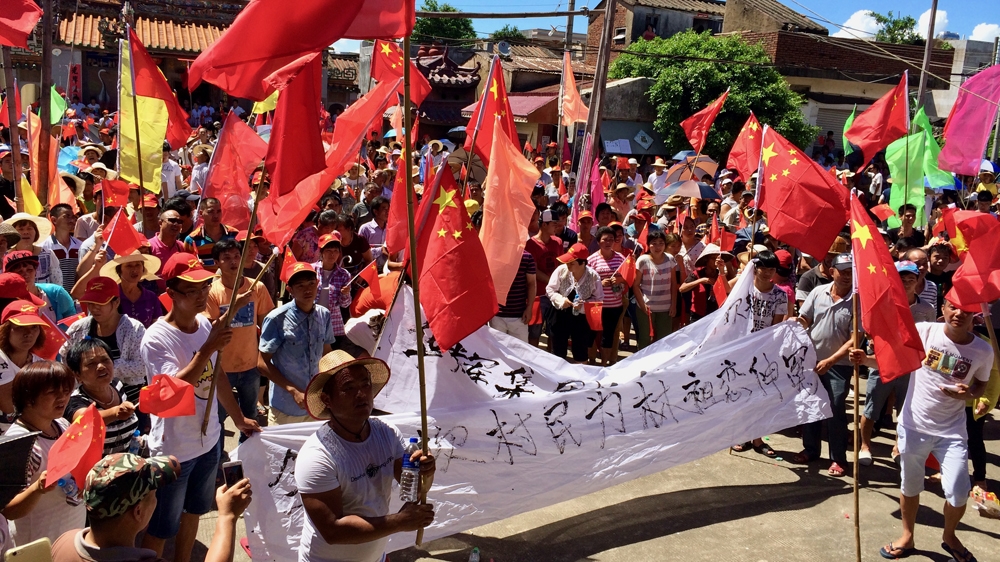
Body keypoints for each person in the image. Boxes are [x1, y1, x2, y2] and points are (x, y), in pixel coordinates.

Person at [138, 253, 259, 562]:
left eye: (205, 286)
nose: (201, 295)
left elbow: (217, 377)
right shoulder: (156, 338)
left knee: (195, 512)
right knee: (162, 527)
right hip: (175, 449)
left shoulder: (205, 325)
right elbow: (173, 389)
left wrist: (238, 418)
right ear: (171, 293)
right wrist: (208, 348)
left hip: (209, 441)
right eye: (191, 290)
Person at [852, 299, 991, 561]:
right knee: (910, 484)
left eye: (966, 310)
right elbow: (896, 360)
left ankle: (949, 536)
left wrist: (969, 394)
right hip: (913, 426)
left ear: (975, 315)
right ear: (943, 309)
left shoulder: (983, 350)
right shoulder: (924, 331)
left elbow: (981, 385)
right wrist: (866, 359)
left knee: (959, 491)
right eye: (953, 307)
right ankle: (907, 536)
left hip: (952, 432)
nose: (958, 313)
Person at [296, 351, 435, 562]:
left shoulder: (387, 433)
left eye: (365, 384)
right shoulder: (317, 456)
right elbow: (333, 530)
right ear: (327, 399)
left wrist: (426, 472)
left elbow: (414, 489)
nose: (361, 394)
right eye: (349, 388)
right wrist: (399, 521)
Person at [50, 452, 254, 562]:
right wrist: (227, 517)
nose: (156, 499)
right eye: (153, 494)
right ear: (138, 512)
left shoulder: (63, 542)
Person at [857, 261, 936, 466]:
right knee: (871, 407)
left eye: (911, 279)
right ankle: (865, 446)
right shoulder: (883, 302)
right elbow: (870, 328)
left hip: (911, 366)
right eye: (903, 279)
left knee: (905, 410)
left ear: (918, 281)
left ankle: (897, 447)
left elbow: (930, 336)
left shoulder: (926, 308)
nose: (907, 283)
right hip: (883, 362)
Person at [2, 361, 86, 546]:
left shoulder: (62, 424)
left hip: (71, 537)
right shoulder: (19, 444)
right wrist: (37, 489)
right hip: (38, 545)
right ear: (28, 397)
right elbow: (8, 510)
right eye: (52, 392)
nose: (62, 398)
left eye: (66, 391)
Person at [204, 239, 274, 440]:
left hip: (250, 365)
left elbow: (267, 324)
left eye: (237, 256)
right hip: (222, 369)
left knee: (250, 416)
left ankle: (247, 454)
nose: (233, 261)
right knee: (218, 418)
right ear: (217, 262)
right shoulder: (211, 292)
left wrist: (264, 356)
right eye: (226, 258)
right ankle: (219, 456)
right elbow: (210, 329)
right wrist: (235, 307)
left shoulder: (257, 287)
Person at [793, 252, 855, 477]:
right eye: (843, 271)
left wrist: (831, 360)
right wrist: (796, 322)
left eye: (851, 272)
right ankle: (810, 449)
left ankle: (838, 458)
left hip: (839, 365)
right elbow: (805, 319)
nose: (847, 276)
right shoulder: (818, 292)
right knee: (810, 405)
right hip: (811, 361)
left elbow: (855, 339)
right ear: (832, 272)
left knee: (836, 408)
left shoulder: (857, 301)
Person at [258, 261, 337, 425]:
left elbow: (327, 353)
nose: (307, 290)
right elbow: (261, 363)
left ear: (318, 283)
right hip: (286, 408)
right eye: (300, 286)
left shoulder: (324, 315)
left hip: (318, 404)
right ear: (290, 290)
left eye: (311, 283)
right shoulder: (276, 319)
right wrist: (293, 391)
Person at [730, 251, 787, 458]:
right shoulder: (744, 289)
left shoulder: (780, 295)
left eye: (772, 269)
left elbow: (776, 325)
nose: (768, 273)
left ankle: (757, 438)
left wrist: (766, 348)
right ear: (756, 268)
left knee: (760, 396)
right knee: (742, 394)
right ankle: (740, 434)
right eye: (764, 268)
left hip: (764, 351)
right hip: (741, 349)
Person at [63, 338, 139, 455]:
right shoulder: (74, 401)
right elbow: (85, 421)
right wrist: (115, 412)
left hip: (127, 461)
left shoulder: (117, 385)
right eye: (91, 364)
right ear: (77, 374)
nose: (101, 366)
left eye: (105, 360)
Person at [545, 243, 603, 362]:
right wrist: (561, 300)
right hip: (560, 314)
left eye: (572, 263)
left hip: (581, 318)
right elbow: (550, 289)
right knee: (558, 351)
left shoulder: (593, 276)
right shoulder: (561, 270)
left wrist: (583, 305)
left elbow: (599, 299)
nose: (568, 265)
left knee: (581, 351)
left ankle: (580, 372)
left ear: (582, 263)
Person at [0, 294, 48, 432]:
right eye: (20, 327)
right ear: (6, 330)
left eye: (34, 327)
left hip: (32, 435)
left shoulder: (41, 364)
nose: (28, 333)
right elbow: (9, 406)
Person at [632, 229, 677, 349]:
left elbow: (673, 283)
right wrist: (642, 305)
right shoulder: (642, 260)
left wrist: (673, 305)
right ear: (648, 245)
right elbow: (635, 285)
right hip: (646, 308)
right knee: (645, 339)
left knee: (664, 339)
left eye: (661, 243)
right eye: (654, 243)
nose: (658, 247)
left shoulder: (670, 259)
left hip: (665, 307)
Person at [588, 227, 626, 365]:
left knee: (608, 336)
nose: (608, 242)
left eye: (611, 239)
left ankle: (604, 364)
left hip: (614, 305)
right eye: (605, 239)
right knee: (591, 334)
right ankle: (591, 360)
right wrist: (599, 283)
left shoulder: (621, 258)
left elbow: (628, 277)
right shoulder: (591, 260)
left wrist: (620, 280)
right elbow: (585, 281)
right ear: (598, 241)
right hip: (596, 305)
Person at [4, 251, 76, 322]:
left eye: (29, 270)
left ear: (35, 271)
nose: (26, 274)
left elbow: (72, 320)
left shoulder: (56, 292)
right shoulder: (4, 301)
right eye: (19, 272)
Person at [97, 251, 164, 328]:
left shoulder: (151, 297)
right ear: (119, 270)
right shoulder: (110, 297)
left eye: (138, 265)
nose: (134, 270)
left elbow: (157, 326)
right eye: (129, 266)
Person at [678, 244, 734, 324]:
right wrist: (700, 280)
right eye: (713, 258)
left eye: (718, 258)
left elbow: (728, 290)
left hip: (716, 315)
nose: (716, 261)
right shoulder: (697, 274)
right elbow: (682, 289)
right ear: (706, 260)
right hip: (698, 316)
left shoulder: (720, 274)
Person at [310, 233, 352, 340]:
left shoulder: (344, 274)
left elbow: (345, 304)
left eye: (335, 251)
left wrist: (345, 294)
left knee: (331, 350)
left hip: (333, 324)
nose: (332, 254)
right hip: (310, 320)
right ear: (321, 252)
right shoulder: (310, 270)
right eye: (328, 251)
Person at [489, 251, 536, 343]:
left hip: (519, 315)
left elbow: (531, 283)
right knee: (498, 349)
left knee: (520, 349)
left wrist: (529, 308)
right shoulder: (492, 254)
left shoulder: (526, 257)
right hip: (496, 314)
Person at [6, 212, 62, 287]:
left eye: (29, 228)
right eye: (21, 229)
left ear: (36, 232)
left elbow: (58, 283)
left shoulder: (48, 254)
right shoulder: (5, 257)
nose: (25, 232)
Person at [182, 198, 238, 270]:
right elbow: (188, 267)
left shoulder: (234, 234)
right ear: (201, 213)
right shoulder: (192, 240)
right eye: (211, 212)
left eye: (218, 211)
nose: (216, 216)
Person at [42, 204, 81, 292]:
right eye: (67, 216)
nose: (72, 220)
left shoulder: (80, 246)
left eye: (73, 217)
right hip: (54, 296)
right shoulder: (44, 247)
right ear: (54, 220)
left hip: (76, 297)